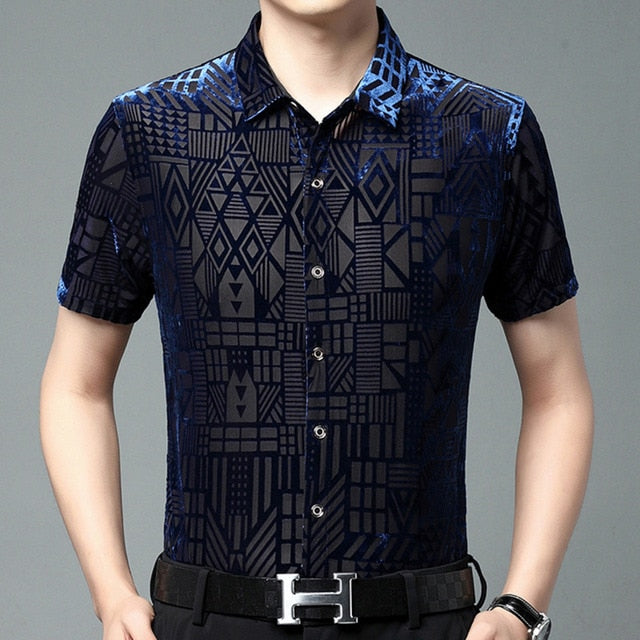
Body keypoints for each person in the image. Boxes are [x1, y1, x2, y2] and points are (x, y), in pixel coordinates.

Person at [40, 1, 593, 639]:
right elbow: (76, 384)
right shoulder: (149, 130)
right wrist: (111, 593)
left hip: (422, 623)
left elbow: (558, 391)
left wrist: (521, 606)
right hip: (212, 623)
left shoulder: (486, 133)